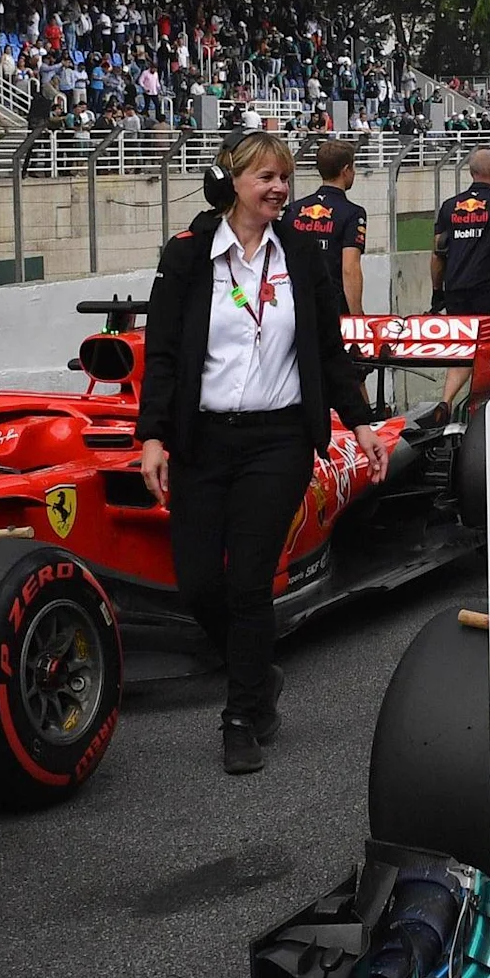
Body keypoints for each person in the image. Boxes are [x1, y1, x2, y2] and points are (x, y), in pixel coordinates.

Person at [136, 132, 380, 774]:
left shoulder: (300, 252)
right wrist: (153, 437)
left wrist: (360, 423)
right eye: (266, 177)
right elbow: (161, 354)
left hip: (278, 440)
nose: (278, 188)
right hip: (203, 440)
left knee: (249, 580)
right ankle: (258, 672)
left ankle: (241, 715)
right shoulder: (189, 255)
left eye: (285, 178)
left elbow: (328, 349)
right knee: (197, 583)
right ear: (234, 180)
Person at [283, 137, 369, 316]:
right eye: (353, 167)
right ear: (346, 170)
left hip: (294, 302)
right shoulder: (353, 213)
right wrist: (357, 316)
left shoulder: (294, 209)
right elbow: (349, 268)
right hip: (332, 307)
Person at [430, 148, 490, 315]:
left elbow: (438, 252)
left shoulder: (449, 205)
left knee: (462, 341)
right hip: (489, 291)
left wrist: (437, 291)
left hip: (455, 291)